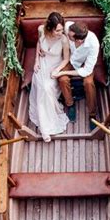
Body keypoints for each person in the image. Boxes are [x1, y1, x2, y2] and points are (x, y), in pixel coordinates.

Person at [29, 12, 70, 142]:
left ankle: (45, 128)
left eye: (62, 29)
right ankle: (44, 125)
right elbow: (38, 43)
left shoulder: (64, 39)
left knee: (47, 88)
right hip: (43, 62)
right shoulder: (41, 30)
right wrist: (36, 60)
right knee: (40, 85)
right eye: (58, 30)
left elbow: (66, 59)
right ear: (50, 28)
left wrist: (57, 70)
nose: (61, 32)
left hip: (55, 65)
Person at [51, 21, 99, 123]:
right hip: (71, 60)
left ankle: (92, 114)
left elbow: (86, 71)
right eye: (68, 33)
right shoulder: (69, 27)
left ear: (79, 41)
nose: (67, 35)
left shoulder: (93, 44)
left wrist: (62, 72)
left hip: (86, 64)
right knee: (63, 80)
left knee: (89, 83)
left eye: (70, 36)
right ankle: (70, 104)